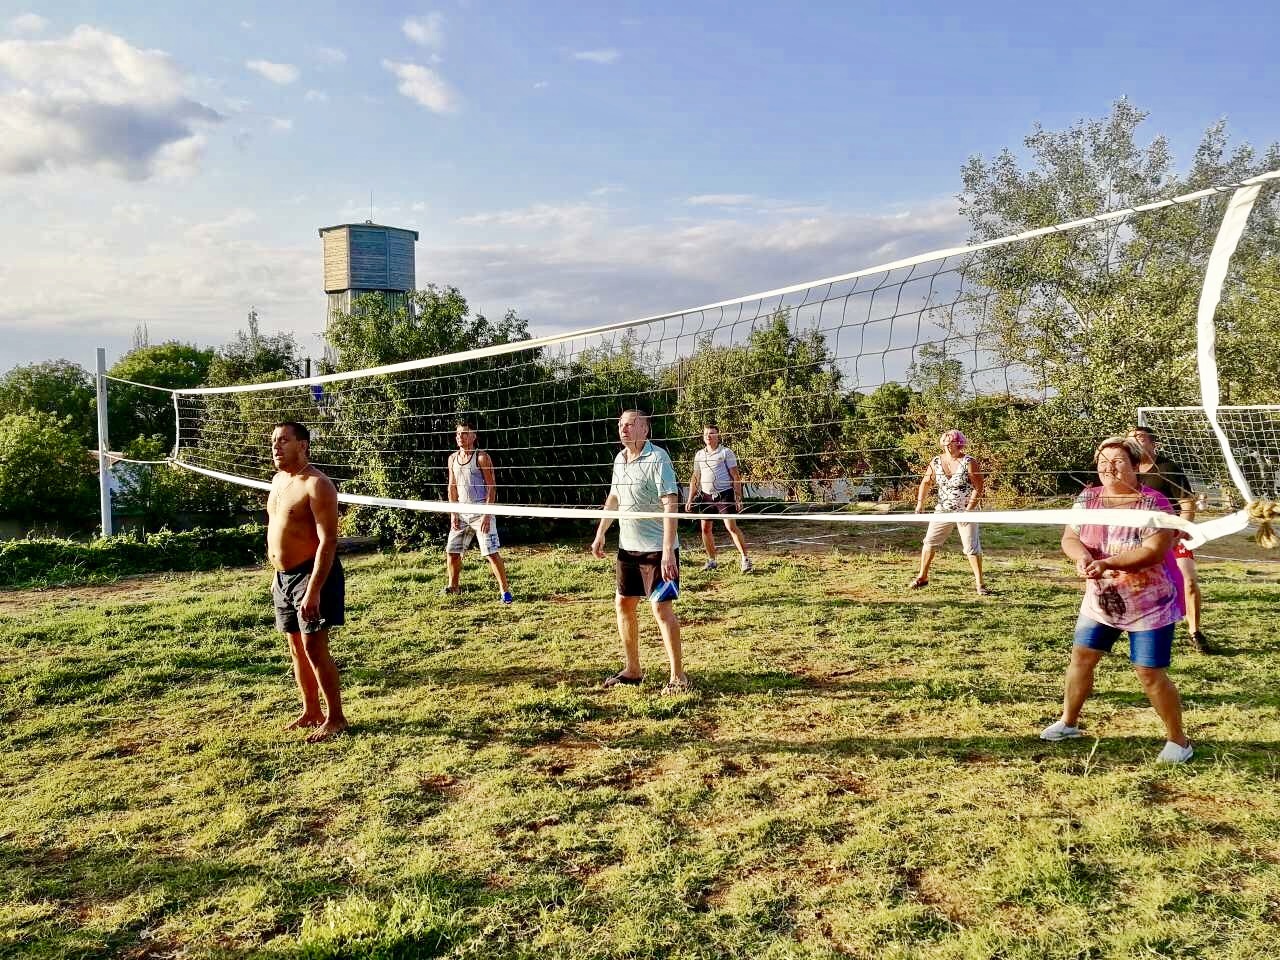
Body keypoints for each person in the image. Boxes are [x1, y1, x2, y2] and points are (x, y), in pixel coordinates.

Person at [1041, 436, 1193, 763]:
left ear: (1136, 465)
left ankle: (1179, 742)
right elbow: (1070, 537)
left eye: (1118, 461)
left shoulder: (1153, 503)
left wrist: (1107, 563)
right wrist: (1081, 557)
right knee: (1082, 658)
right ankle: (1069, 723)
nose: (1108, 467)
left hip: (1150, 605)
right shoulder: (1087, 498)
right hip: (1101, 602)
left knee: (1148, 672)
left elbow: (1154, 551)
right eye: (1102, 462)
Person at [590, 409, 690, 694]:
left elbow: (671, 503)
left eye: (631, 424)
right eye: (621, 424)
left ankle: (678, 678)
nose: (624, 429)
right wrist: (600, 532)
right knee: (623, 604)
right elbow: (614, 498)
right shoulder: (619, 459)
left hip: (657, 550)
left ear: (645, 429)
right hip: (628, 549)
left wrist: (668, 550)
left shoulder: (658, 458)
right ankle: (633, 670)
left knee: (661, 608)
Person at [267, 421, 348, 742]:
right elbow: (277, 530)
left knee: (314, 647)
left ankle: (336, 717)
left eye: (283, 440)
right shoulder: (278, 480)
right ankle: (311, 711)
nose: (276, 446)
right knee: (296, 648)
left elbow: (329, 541)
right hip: (283, 578)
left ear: (302, 445)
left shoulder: (318, 485)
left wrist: (313, 590)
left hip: (311, 575)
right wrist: (276, 575)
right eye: (274, 441)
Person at [1127, 426, 1212, 654]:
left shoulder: (1168, 468)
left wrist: (1182, 531)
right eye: (1130, 438)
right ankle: (1137, 629)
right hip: (1138, 539)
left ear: (1153, 444)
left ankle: (1195, 632)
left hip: (1172, 535)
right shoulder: (1126, 470)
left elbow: (1187, 504)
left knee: (1188, 580)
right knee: (1134, 584)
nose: (1134, 441)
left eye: (1140, 438)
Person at [909, 429, 989, 595]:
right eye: (944, 442)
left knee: (971, 548)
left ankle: (980, 584)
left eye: (950, 443)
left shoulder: (969, 462)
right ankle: (922, 577)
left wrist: (969, 510)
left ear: (959, 444)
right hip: (943, 510)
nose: (947, 446)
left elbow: (978, 487)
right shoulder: (936, 461)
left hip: (966, 510)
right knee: (929, 543)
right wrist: (920, 504)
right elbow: (926, 482)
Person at [444, 421, 513, 604]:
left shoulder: (481, 457)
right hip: (461, 511)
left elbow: (491, 487)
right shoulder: (452, 458)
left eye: (465, 433)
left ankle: (505, 592)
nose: (460, 436)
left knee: (491, 553)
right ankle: (453, 587)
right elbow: (451, 487)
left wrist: (487, 514)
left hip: (481, 510)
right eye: (458, 434)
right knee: (452, 551)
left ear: (474, 437)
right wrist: (453, 513)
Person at [685, 423, 754, 573]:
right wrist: (690, 498)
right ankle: (712, 561)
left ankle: (745, 559)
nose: (708, 436)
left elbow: (735, 476)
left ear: (718, 435)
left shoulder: (726, 452)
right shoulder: (699, 455)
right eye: (706, 434)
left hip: (725, 494)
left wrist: (738, 498)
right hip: (706, 496)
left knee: (731, 527)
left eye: (711, 433)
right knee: (705, 528)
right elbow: (695, 478)